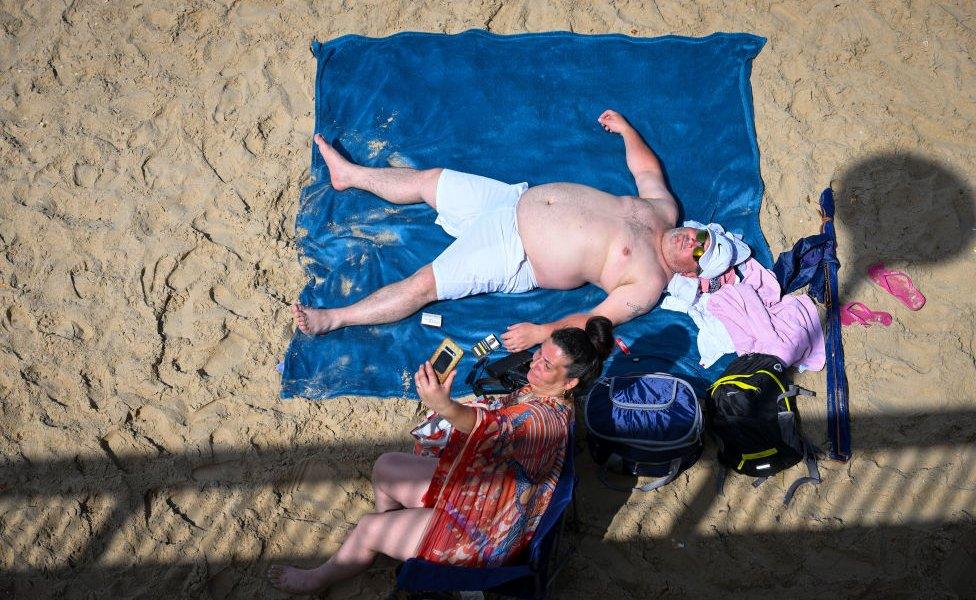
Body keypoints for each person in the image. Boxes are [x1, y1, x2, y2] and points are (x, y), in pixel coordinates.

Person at [292, 109, 744, 352]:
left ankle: (332, 319)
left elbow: (594, 321)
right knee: (430, 181)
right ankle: (350, 175)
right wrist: (626, 130)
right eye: (700, 235)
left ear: (690, 273)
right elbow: (647, 170)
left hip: (514, 250)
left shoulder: (647, 284)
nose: (692, 240)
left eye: (698, 251)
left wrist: (541, 331)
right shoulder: (665, 211)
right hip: (511, 200)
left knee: (423, 285)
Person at [268, 317, 615, 594]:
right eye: (538, 354)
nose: (534, 364)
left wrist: (445, 406)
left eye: (546, 365)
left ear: (569, 383)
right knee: (386, 466)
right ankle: (394, 541)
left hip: (485, 530)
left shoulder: (541, 419)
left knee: (368, 527)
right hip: (484, 493)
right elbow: (497, 423)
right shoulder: (551, 398)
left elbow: (490, 427)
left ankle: (320, 577)